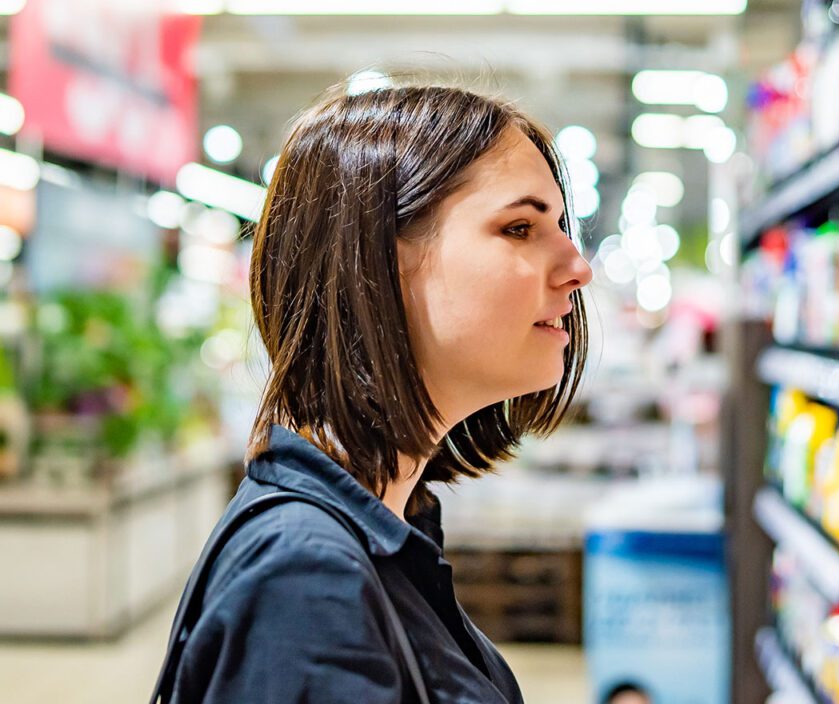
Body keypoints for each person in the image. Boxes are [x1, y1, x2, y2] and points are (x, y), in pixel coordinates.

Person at [159, 81, 593, 703]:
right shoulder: (304, 581)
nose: (578, 266)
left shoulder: (383, 526)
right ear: (377, 265)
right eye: (520, 228)